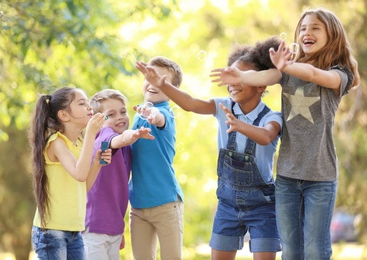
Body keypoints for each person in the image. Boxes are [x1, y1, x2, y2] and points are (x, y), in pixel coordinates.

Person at [210, 7, 360, 260]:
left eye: (315, 28)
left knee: (315, 249)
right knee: (290, 250)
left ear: (332, 35)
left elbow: (312, 74)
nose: (306, 32)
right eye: (302, 28)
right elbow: (266, 75)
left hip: (320, 177)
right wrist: (241, 75)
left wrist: (288, 66)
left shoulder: (339, 74)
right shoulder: (286, 72)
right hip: (287, 178)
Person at [136, 37, 283, 260]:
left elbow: (266, 136)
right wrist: (162, 84)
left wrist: (239, 125)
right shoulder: (221, 106)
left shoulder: (272, 117)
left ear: (261, 84)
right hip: (227, 205)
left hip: (262, 206)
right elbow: (190, 103)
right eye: (230, 76)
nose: (232, 83)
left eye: (240, 77)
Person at [29, 86, 112, 259]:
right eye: (82, 103)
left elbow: (83, 184)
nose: (89, 107)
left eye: (88, 102)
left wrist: (96, 163)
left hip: (74, 231)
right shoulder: (56, 142)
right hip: (51, 232)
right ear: (64, 115)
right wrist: (90, 134)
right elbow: (79, 174)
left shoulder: (80, 144)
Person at [83, 89, 155, 259]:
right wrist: (134, 135)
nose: (120, 117)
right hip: (94, 226)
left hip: (112, 226)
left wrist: (118, 229)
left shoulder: (126, 147)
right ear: (98, 120)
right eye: (111, 114)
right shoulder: (104, 136)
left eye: (123, 111)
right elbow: (118, 140)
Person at [130, 56, 184, 260]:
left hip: (166, 204)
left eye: (162, 80)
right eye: (149, 77)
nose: (153, 83)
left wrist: (154, 116)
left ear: (172, 90)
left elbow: (160, 119)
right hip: (138, 205)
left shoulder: (164, 113)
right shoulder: (138, 114)